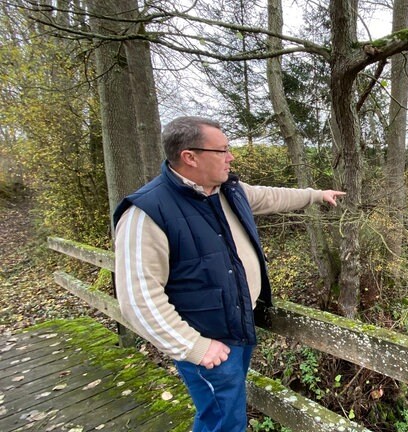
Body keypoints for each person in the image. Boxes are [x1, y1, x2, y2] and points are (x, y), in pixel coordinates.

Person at [113, 116, 345, 432]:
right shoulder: (147, 213)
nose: (231, 157)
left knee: (225, 415)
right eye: (222, 150)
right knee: (224, 422)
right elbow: (138, 299)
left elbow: (272, 196)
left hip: (239, 326)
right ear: (189, 157)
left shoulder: (226, 191)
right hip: (207, 341)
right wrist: (194, 347)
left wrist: (316, 195)